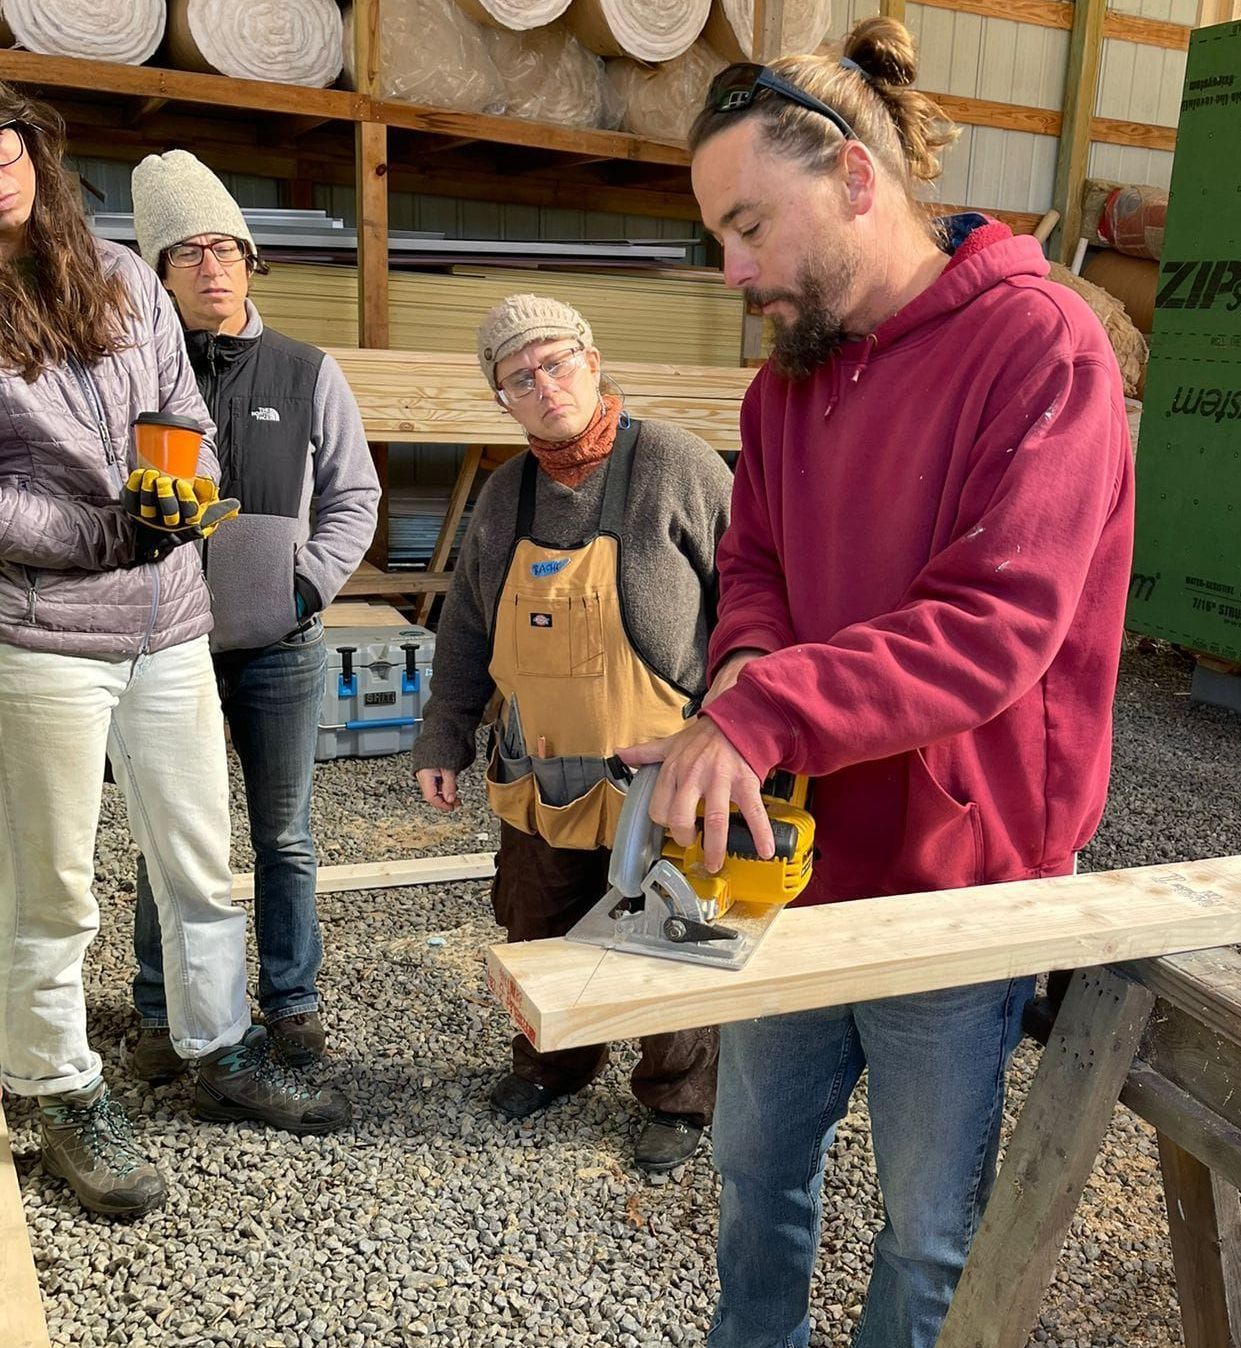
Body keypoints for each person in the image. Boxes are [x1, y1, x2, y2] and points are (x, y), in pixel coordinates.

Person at [619, 18, 1136, 1346]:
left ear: (855, 178)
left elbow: (993, 624)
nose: (735, 272)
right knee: (753, 1172)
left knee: (926, 1233)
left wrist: (767, 711)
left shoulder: (1043, 350)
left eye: (750, 227)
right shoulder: (785, 389)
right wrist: (740, 667)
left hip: (959, 880)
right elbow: (757, 563)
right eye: (716, 239)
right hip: (799, 867)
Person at [0, 86, 351, 1220]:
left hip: (170, 627)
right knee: (51, 888)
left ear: (34, 153)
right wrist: (111, 532)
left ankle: (218, 1048)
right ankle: (56, 1087)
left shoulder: (115, 276)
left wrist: (186, 485)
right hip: (46, 634)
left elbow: (180, 417)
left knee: (199, 863)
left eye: (4, 145)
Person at [412, 294, 732, 1172]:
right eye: (520, 377)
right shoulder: (503, 496)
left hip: (665, 769)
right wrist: (443, 733)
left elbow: (752, 604)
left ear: (592, 361)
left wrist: (741, 723)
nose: (543, 384)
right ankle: (551, 1064)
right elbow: (467, 627)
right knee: (538, 924)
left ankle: (677, 1097)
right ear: (501, 401)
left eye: (556, 362)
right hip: (539, 768)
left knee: (675, 933)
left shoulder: (678, 465)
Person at [124, 151, 381, 1076]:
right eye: (187, 250)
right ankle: (162, 1009)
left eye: (226, 246)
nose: (211, 265)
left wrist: (301, 588)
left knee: (282, 833)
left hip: (283, 648)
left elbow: (356, 495)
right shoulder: (134, 377)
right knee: (172, 831)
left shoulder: (305, 370)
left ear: (249, 259)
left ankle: (293, 998)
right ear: (157, 269)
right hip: (167, 650)